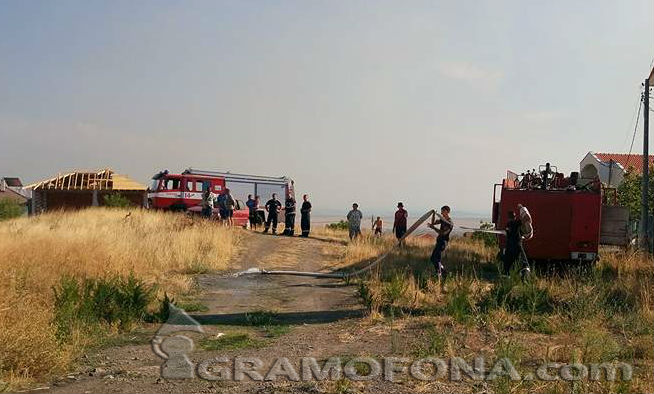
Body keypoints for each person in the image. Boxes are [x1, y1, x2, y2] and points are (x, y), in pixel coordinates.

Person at [427, 205, 453, 281]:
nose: (441, 212)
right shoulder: (442, 220)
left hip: (443, 242)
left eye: (443, 211)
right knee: (432, 258)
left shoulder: (449, 223)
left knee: (437, 259)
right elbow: (433, 223)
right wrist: (433, 214)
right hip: (439, 241)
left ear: (447, 212)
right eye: (441, 211)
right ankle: (443, 272)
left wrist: (433, 228)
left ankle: (440, 274)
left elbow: (443, 233)